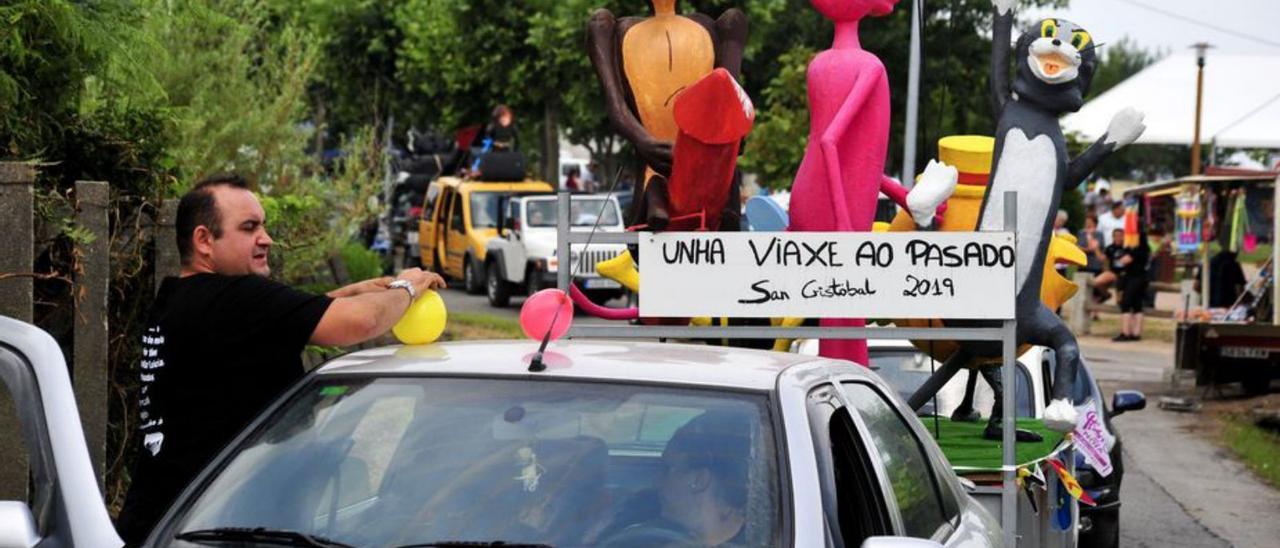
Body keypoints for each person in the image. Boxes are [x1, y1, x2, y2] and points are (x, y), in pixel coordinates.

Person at [116, 174, 446, 543]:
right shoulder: (233, 299)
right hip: (213, 530)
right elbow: (363, 322)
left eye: (264, 225)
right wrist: (408, 287)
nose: (266, 238)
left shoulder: (182, 298)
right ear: (204, 240)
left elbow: (280, 320)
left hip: (162, 526)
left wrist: (355, 291)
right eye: (249, 227)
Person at [602, 411, 750, 546]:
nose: (658, 483)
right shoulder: (762, 535)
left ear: (699, 480)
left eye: (668, 469)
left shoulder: (635, 538)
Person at [1114, 229, 1151, 341]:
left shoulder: (1135, 248)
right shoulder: (1145, 248)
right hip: (1142, 277)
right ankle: (1136, 333)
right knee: (1137, 305)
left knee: (1126, 303)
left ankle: (1125, 332)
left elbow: (1124, 261)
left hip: (1134, 277)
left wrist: (1118, 260)